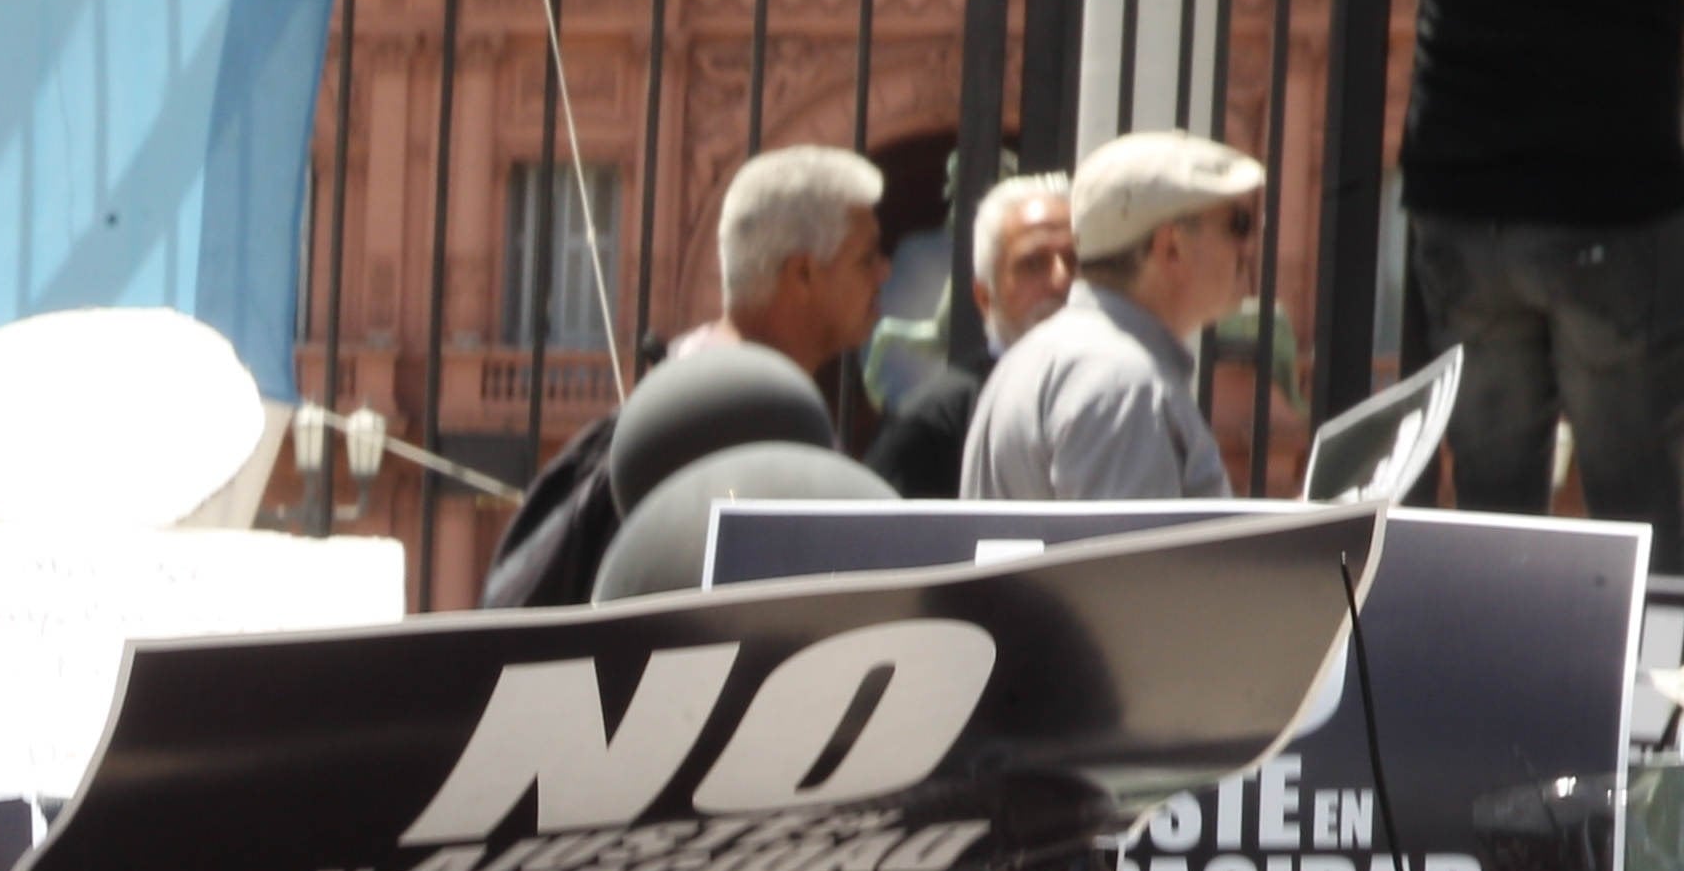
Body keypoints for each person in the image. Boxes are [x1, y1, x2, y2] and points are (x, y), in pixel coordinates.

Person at [482, 143, 889, 606]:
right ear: (803, 274)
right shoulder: (713, 426)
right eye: (866, 258)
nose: (884, 272)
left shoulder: (736, 400)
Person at [1400, 0, 1684, 533]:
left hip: (1460, 197)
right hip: (1605, 200)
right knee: (1640, 514)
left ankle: (1501, 634)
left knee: (1494, 512)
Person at [965, 131, 1259, 500]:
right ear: (1171, 247)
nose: (1248, 247)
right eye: (1238, 224)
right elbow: (1124, 558)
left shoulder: (1046, 358)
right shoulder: (1124, 384)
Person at [863, 172, 1075, 497]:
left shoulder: (1118, 397)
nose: (1062, 281)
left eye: (1076, 262)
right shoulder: (931, 423)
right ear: (985, 297)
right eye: (1033, 264)